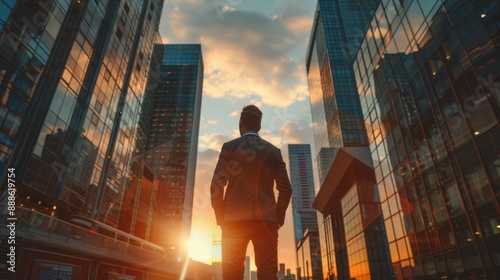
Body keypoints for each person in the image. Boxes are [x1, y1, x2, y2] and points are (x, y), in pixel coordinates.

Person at [210, 105, 292, 279]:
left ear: (241, 124)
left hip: (233, 222)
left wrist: (221, 217)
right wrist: (277, 218)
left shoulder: (229, 147)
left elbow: (216, 186)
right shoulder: (273, 151)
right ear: (259, 127)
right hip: (266, 222)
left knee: (231, 274)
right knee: (268, 273)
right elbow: (286, 189)